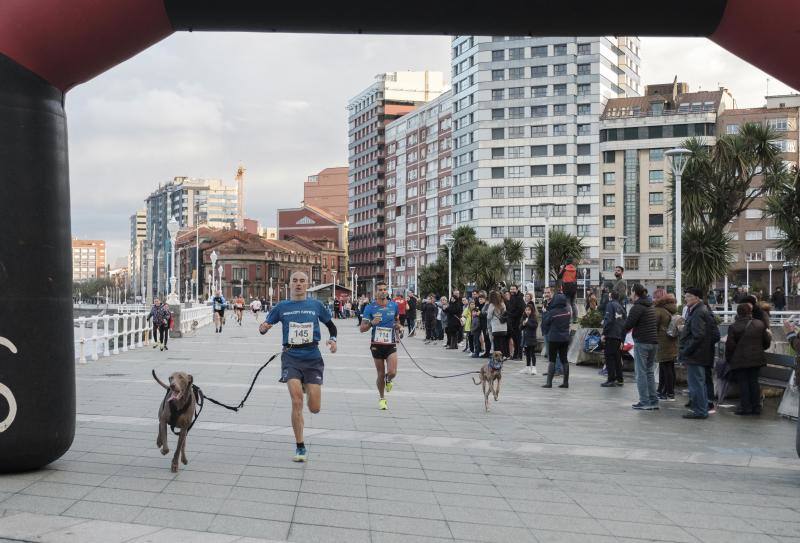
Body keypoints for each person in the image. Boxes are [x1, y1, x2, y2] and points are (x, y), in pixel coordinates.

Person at [259, 271, 337, 462]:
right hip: (291, 356)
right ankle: (300, 446)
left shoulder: (316, 305)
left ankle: (307, 386)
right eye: (295, 281)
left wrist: (333, 340)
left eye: (302, 281)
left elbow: (331, 326)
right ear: (290, 284)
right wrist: (263, 328)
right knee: (296, 402)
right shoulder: (282, 306)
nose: (299, 284)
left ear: (307, 284)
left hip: (312, 357)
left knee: (315, 408)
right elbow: (265, 325)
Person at [360, 281, 402, 410]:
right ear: (376, 292)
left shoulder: (393, 306)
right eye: (380, 290)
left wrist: (398, 327)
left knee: (392, 372)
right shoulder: (370, 308)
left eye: (385, 289)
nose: (383, 291)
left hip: (390, 343)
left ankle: (388, 380)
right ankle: (382, 398)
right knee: (380, 373)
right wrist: (372, 323)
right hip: (376, 344)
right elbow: (362, 328)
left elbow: (397, 321)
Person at [726, 302, 771, 415]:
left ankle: (745, 407)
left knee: (743, 383)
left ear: (738, 313)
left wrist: (729, 359)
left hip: (740, 360)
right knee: (754, 382)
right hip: (756, 360)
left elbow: (730, 346)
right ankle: (756, 407)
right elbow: (766, 342)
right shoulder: (759, 324)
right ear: (750, 312)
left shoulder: (734, 326)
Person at [680, 287, 715, 420]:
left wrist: (686, 350)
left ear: (696, 298)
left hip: (696, 355)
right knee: (699, 383)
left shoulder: (698, 312)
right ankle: (701, 408)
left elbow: (698, 335)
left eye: (688, 296)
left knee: (696, 384)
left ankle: (700, 411)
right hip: (700, 354)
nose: (685, 298)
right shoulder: (700, 310)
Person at [624, 284, 659, 410]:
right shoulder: (650, 306)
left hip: (642, 342)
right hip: (653, 342)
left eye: (631, 292)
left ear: (635, 293)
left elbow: (628, 325)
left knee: (641, 373)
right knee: (649, 372)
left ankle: (644, 401)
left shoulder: (637, 307)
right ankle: (653, 401)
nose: (630, 295)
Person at [541, 292, 571, 388]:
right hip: (565, 338)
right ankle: (565, 382)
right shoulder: (567, 311)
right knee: (564, 360)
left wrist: (545, 312)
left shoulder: (552, 312)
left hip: (554, 338)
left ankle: (549, 382)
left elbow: (546, 323)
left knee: (552, 360)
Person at [653, 288, 678, 401]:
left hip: (662, 342)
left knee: (665, 368)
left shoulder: (659, 310)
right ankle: (669, 392)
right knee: (670, 367)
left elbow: (654, 327)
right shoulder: (671, 309)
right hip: (672, 342)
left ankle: (665, 392)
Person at [600, 290, 626, 387]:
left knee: (609, 357)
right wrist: (622, 339)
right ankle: (620, 379)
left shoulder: (610, 305)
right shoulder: (622, 308)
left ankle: (611, 379)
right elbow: (625, 324)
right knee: (617, 358)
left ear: (611, 297)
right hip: (619, 336)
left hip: (611, 335)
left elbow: (608, 320)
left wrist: (604, 333)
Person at [485, 290, 509, 359]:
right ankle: (503, 356)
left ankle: (497, 357)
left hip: (496, 327)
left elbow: (489, 317)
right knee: (502, 342)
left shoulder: (492, 305)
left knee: (496, 343)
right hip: (504, 327)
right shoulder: (503, 304)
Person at [506, 285, 526, 360]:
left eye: (514, 289)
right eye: (511, 289)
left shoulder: (519, 298)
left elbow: (521, 310)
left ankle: (520, 355)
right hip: (512, 322)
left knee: (518, 339)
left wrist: (511, 314)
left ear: (517, 290)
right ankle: (515, 354)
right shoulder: (512, 297)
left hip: (517, 322)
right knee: (514, 339)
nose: (512, 291)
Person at [520, 303, 538, 375]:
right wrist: (523, 324)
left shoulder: (533, 318)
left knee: (532, 353)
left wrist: (527, 323)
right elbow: (520, 327)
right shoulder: (524, 318)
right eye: (526, 310)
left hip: (532, 339)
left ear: (532, 310)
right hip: (525, 339)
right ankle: (527, 367)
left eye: (529, 310)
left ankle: (533, 367)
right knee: (527, 354)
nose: (527, 311)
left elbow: (534, 326)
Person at [558, 258, 579, 323]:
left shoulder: (564, 269)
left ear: (566, 262)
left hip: (566, 288)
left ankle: (569, 319)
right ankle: (575, 319)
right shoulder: (575, 269)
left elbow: (559, 276)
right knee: (573, 303)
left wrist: (562, 268)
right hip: (574, 288)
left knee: (567, 303)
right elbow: (578, 276)